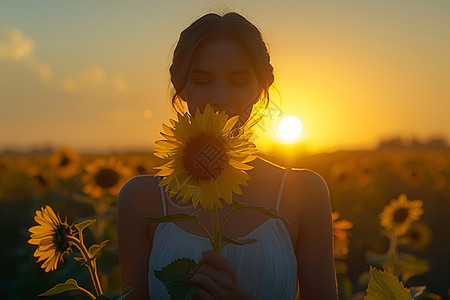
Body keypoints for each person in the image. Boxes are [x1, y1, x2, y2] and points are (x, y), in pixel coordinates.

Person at [117, 12, 338, 300]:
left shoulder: (303, 193)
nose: (220, 96)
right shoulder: (140, 200)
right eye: (202, 80)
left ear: (260, 88)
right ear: (181, 87)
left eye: (237, 81)